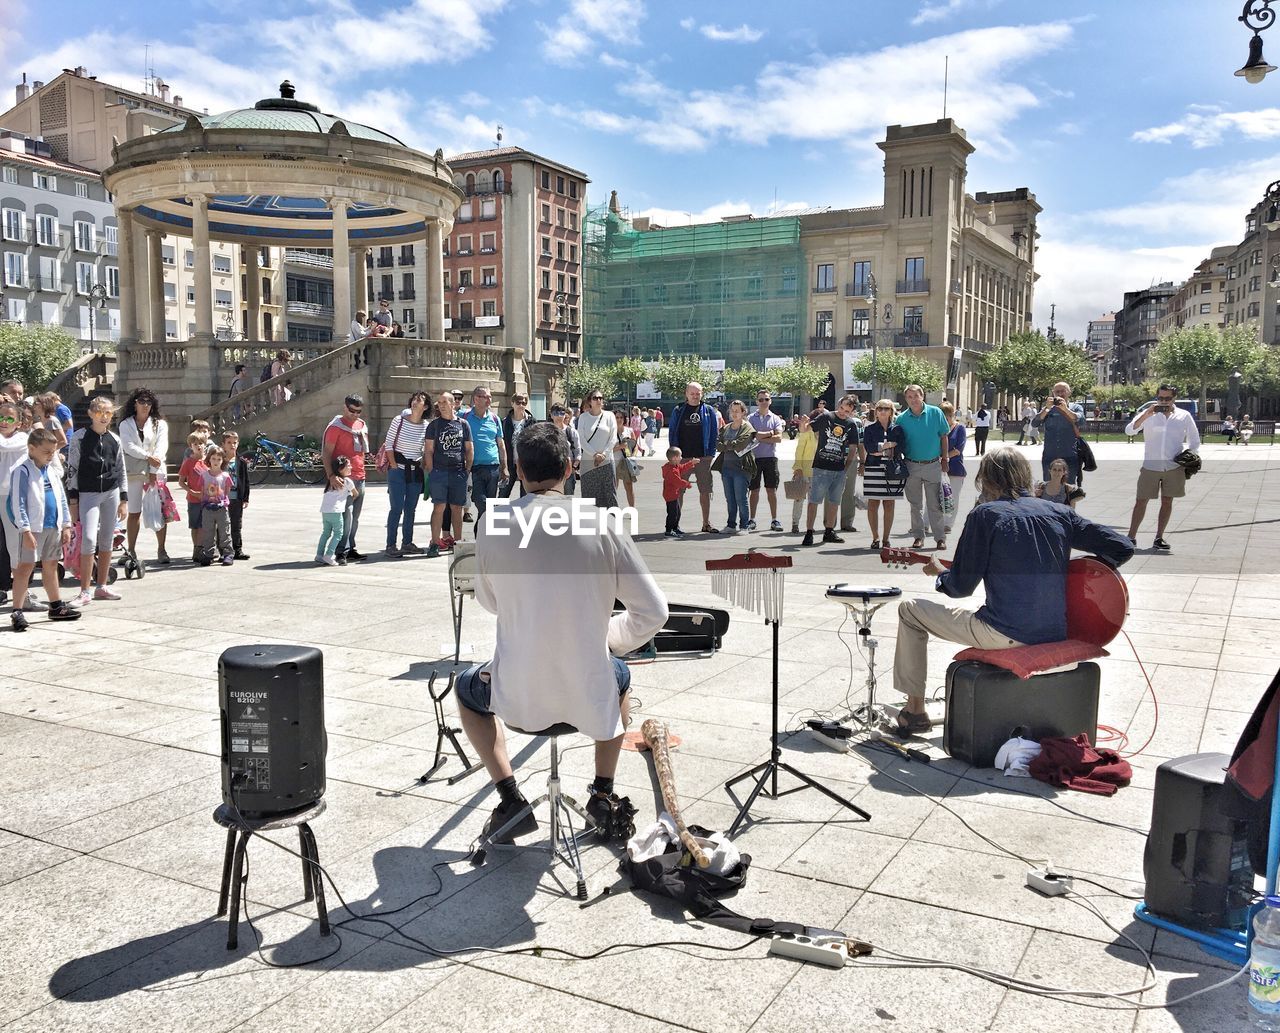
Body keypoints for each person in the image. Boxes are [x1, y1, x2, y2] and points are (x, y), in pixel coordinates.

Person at [456, 421, 668, 843]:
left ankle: (509, 797)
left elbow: (490, 601)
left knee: (464, 688)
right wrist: (607, 639)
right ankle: (602, 793)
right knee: (621, 675)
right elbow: (653, 613)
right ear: (571, 468)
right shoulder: (603, 522)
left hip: (517, 696)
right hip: (586, 694)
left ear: (518, 469)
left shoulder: (494, 523)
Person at [890, 449, 1133, 735]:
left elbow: (960, 588)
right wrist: (1076, 573)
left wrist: (940, 575)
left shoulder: (985, 515)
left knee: (910, 611)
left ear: (987, 480)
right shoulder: (1060, 511)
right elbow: (1122, 547)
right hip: (1055, 630)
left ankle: (915, 711)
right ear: (1025, 476)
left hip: (1004, 633)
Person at [6, 428, 81, 631]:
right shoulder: (21, 471)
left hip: (53, 525)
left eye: (53, 452)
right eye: (46, 452)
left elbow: (61, 499)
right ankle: (17, 610)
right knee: (25, 568)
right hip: (33, 528)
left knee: (51, 565)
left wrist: (66, 524)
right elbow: (17, 502)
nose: (50, 456)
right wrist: (25, 530)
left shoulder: (51, 470)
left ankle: (55, 605)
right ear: (32, 449)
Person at [65, 396, 127, 605]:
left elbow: (121, 469)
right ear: (91, 413)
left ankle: (102, 586)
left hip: (111, 491)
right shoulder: (80, 437)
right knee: (89, 538)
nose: (104, 416)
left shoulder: (115, 439)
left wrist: (124, 498)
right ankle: (84, 590)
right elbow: (72, 469)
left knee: (107, 538)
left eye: (108, 413)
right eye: (100, 412)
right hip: (87, 492)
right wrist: (73, 500)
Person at [1124, 384, 1201, 551]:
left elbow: (1194, 440)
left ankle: (1159, 537)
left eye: (1167, 398)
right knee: (1141, 501)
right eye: (1160, 398)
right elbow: (1129, 431)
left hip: (1173, 466)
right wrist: (1145, 415)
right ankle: (1131, 537)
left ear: (1174, 398)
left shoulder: (1184, 416)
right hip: (1150, 465)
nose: (1163, 401)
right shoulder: (1149, 414)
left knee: (1167, 501)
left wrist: (1188, 455)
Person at [894, 385, 950, 550]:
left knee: (934, 504)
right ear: (906, 399)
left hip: (932, 464)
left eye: (916, 396)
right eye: (909, 397)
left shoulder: (935, 412)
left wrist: (945, 458)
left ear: (922, 396)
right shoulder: (902, 419)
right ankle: (918, 537)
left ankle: (940, 538)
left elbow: (944, 436)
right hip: (911, 465)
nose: (913, 400)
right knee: (915, 505)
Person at [802, 394, 861, 548]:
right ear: (838, 404)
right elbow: (807, 428)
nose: (843, 412)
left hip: (839, 468)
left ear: (852, 412)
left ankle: (829, 530)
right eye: (841, 408)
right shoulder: (826, 417)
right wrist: (803, 424)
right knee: (814, 500)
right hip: (821, 466)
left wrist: (846, 466)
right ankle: (809, 532)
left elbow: (853, 446)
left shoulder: (851, 424)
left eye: (847, 411)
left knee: (835, 501)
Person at [119, 388, 170, 564]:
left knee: (158, 511)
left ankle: (162, 549)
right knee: (134, 512)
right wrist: (147, 457)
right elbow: (128, 446)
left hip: (156, 471)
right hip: (134, 472)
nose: (145, 406)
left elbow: (161, 448)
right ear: (135, 404)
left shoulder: (159, 424)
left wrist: (153, 470)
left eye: (148, 402)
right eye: (142, 402)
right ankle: (131, 550)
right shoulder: (125, 424)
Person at [424, 390, 473, 558]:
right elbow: (428, 450)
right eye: (440, 402)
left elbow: (469, 449)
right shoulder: (434, 425)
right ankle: (435, 542)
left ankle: (458, 542)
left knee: (457, 508)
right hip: (439, 472)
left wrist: (467, 469)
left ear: (453, 404)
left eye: (446, 402)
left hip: (458, 472)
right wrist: (432, 471)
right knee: (439, 507)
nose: (442, 405)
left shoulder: (463, 424)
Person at [322, 394, 370, 564]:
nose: (355, 414)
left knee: (354, 517)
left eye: (358, 411)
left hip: (359, 476)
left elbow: (362, 452)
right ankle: (340, 550)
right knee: (345, 516)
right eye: (352, 411)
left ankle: (350, 548)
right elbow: (326, 453)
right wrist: (331, 475)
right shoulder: (336, 427)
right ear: (344, 407)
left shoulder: (361, 425)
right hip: (342, 479)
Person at [668, 382, 720, 533]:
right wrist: (673, 455)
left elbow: (714, 434)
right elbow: (672, 433)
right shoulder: (678, 410)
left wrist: (711, 454)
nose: (695, 396)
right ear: (686, 394)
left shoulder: (709, 411)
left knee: (705, 490)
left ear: (702, 394)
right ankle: (675, 524)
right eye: (692, 393)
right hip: (682, 458)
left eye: (698, 393)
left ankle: (706, 523)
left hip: (702, 458)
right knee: (678, 491)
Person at [384, 392, 429, 557]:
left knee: (411, 509)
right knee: (396, 508)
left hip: (415, 471)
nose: (415, 402)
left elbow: (427, 449)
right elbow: (389, 444)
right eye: (414, 399)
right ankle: (390, 545)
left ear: (425, 406)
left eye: (420, 400)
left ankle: (407, 543)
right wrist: (394, 465)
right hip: (398, 470)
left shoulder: (426, 425)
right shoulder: (399, 420)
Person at [860, 398, 907, 549]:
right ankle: (875, 537)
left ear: (891, 411)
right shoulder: (869, 429)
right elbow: (869, 448)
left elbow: (901, 448)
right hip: (873, 469)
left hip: (892, 468)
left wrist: (881, 449)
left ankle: (886, 539)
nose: (882, 411)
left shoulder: (898, 429)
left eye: (886, 408)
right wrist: (887, 446)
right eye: (879, 408)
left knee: (889, 504)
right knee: (873, 504)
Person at [0, 399, 29, 607]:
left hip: (11, 497)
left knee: (14, 546)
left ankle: (23, 595)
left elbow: (4, 445)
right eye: (1, 417)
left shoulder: (21, 438)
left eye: (9, 418)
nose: (4, 421)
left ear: (18, 423)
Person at [714, 400, 756, 533]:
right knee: (730, 498)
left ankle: (744, 526)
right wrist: (729, 444)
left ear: (744, 412)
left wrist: (726, 444)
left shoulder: (747, 427)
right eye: (732, 411)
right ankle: (731, 525)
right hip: (726, 468)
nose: (734, 413)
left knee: (741, 498)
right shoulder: (726, 427)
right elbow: (717, 445)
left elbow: (740, 445)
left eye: (737, 411)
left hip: (742, 468)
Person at [747, 389, 785, 532]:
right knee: (754, 490)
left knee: (771, 490)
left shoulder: (775, 418)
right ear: (757, 401)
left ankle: (774, 520)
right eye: (761, 399)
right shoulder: (750, 418)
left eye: (766, 399)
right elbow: (750, 436)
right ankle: (752, 520)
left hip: (770, 459)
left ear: (770, 401)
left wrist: (759, 436)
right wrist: (770, 434)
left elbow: (779, 438)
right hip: (754, 459)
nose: (764, 402)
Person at [1033, 381, 1084, 483]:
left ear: (1069, 392)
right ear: (1053, 393)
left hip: (1069, 455)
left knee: (1068, 488)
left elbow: (1081, 420)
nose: (1060, 394)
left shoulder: (1076, 407)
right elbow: (1035, 423)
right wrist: (1046, 409)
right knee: (1049, 487)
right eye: (1057, 392)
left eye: (1063, 391)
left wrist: (1066, 409)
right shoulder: (1048, 409)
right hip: (1050, 456)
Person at [575, 389, 618, 506]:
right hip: (588, 462)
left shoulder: (609, 416)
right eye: (595, 398)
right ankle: (591, 524)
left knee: (609, 495)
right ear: (590, 401)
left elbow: (613, 437)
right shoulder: (583, 417)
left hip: (607, 461)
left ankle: (612, 523)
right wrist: (594, 454)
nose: (598, 400)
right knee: (589, 496)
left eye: (600, 398)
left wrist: (604, 454)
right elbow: (581, 439)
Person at [196, 446, 234, 566]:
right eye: (213, 459)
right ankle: (208, 554)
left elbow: (227, 493)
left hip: (221, 508)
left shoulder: (225, 476)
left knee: (224, 531)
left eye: (218, 459)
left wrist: (223, 503)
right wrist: (205, 504)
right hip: (208, 508)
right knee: (208, 532)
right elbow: (202, 492)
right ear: (209, 459)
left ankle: (227, 553)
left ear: (222, 461)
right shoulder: (204, 476)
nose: (216, 462)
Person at [317, 457, 357, 566]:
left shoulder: (330, 482)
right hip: (336, 511)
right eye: (348, 466)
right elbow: (356, 494)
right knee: (338, 533)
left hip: (325, 511)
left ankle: (319, 555)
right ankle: (329, 555)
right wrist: (350, 497)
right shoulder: (347, 481)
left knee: (325, 533)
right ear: (340, 469)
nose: (351, 467)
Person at [220, 431, 251, 560]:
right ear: (223, 445)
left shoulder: (241, 462)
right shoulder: (220, 461)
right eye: (229, 443)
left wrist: (245, 498)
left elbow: (246, 481)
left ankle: (237, 549)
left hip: (236, 498)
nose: (232, 445)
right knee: (222, 525)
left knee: (236, 525)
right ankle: (223, 550)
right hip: (222, 499)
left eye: (234, 443)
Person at [500, 394, 534, 499]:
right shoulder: (505, 422)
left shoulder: (532, 422)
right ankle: (500, 515)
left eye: (524, 403)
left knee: (525, 497)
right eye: (518, 402)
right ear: (512, 403)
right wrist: (503, 465)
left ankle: (522, 515)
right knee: (503, 495)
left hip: (526, 464)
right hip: (509, 463)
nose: (521, 405)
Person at [941, 401, 967, 535]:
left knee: (953, 497)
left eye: (948, 416)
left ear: (952, 415)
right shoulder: (939, 429)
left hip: (956, 468)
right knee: (935, 496)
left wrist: (944, 457)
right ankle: (928, 522)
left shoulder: (960, 428)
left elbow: (958, 449)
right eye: (943, 417)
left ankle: (948, 524)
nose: (946, 420)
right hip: (938, 468)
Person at [662, 447, 697, 537]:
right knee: (672, 513)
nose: (681, 458)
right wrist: (687, 484)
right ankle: (669, 530)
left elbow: (682, 468)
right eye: (680, 456)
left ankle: (675, 528)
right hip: (670, 495)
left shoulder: (675, 466)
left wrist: (691, 463)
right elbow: (677, 481)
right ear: (674, 458)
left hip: (674, 494)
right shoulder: (671, 470)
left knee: (677, 512)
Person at [790, 413, 816, 534]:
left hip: (818, 472)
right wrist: (798, 467)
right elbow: (799, 449)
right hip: (804, 470)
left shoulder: (827, 435)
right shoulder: (807, 432)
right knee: (799, 499)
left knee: (813, 500)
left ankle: (810, 525)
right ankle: (795, 523)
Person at [550, 403, 581, 494]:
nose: (559, 416)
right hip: (550, 471)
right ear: (551, 415)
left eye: (562, 413)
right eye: (556, 413)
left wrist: (574, 467)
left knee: (568, 498)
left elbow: (578, 451)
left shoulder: (571, 432)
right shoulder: (546, 431)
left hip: (568, 470)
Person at [613, 408, 638, 509]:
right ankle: (613, 508)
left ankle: (632, 508)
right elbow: (607, 449)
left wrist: (634, 456)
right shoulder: (610, 431)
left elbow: (635, 445)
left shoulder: (629, 430)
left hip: (626, 461)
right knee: (614, 487)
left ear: (624, 419)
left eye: (621, 417)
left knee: (628, 486)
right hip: (614, 461)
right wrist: (620, 447)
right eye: (617, 417)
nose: (619, 419)